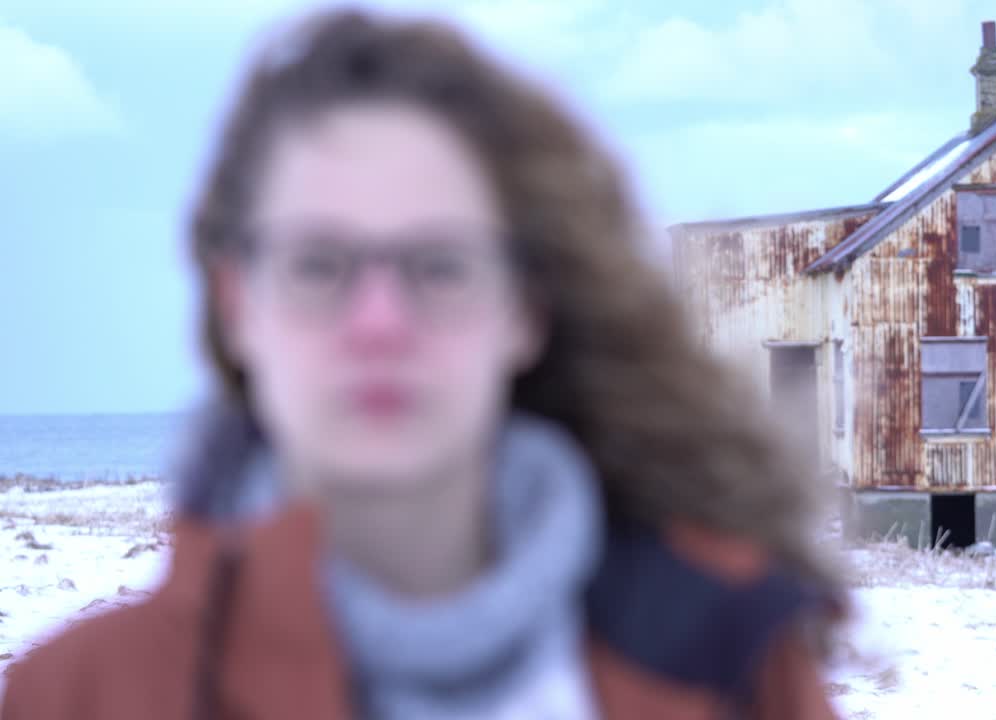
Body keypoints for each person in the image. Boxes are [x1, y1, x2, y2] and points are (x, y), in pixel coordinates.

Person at [1, 8, 845, 719]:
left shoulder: (733, 665)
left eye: (439, 265)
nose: (379, 323)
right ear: (237, 302)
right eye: (319, 264)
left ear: (525, 307)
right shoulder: (75, 699)